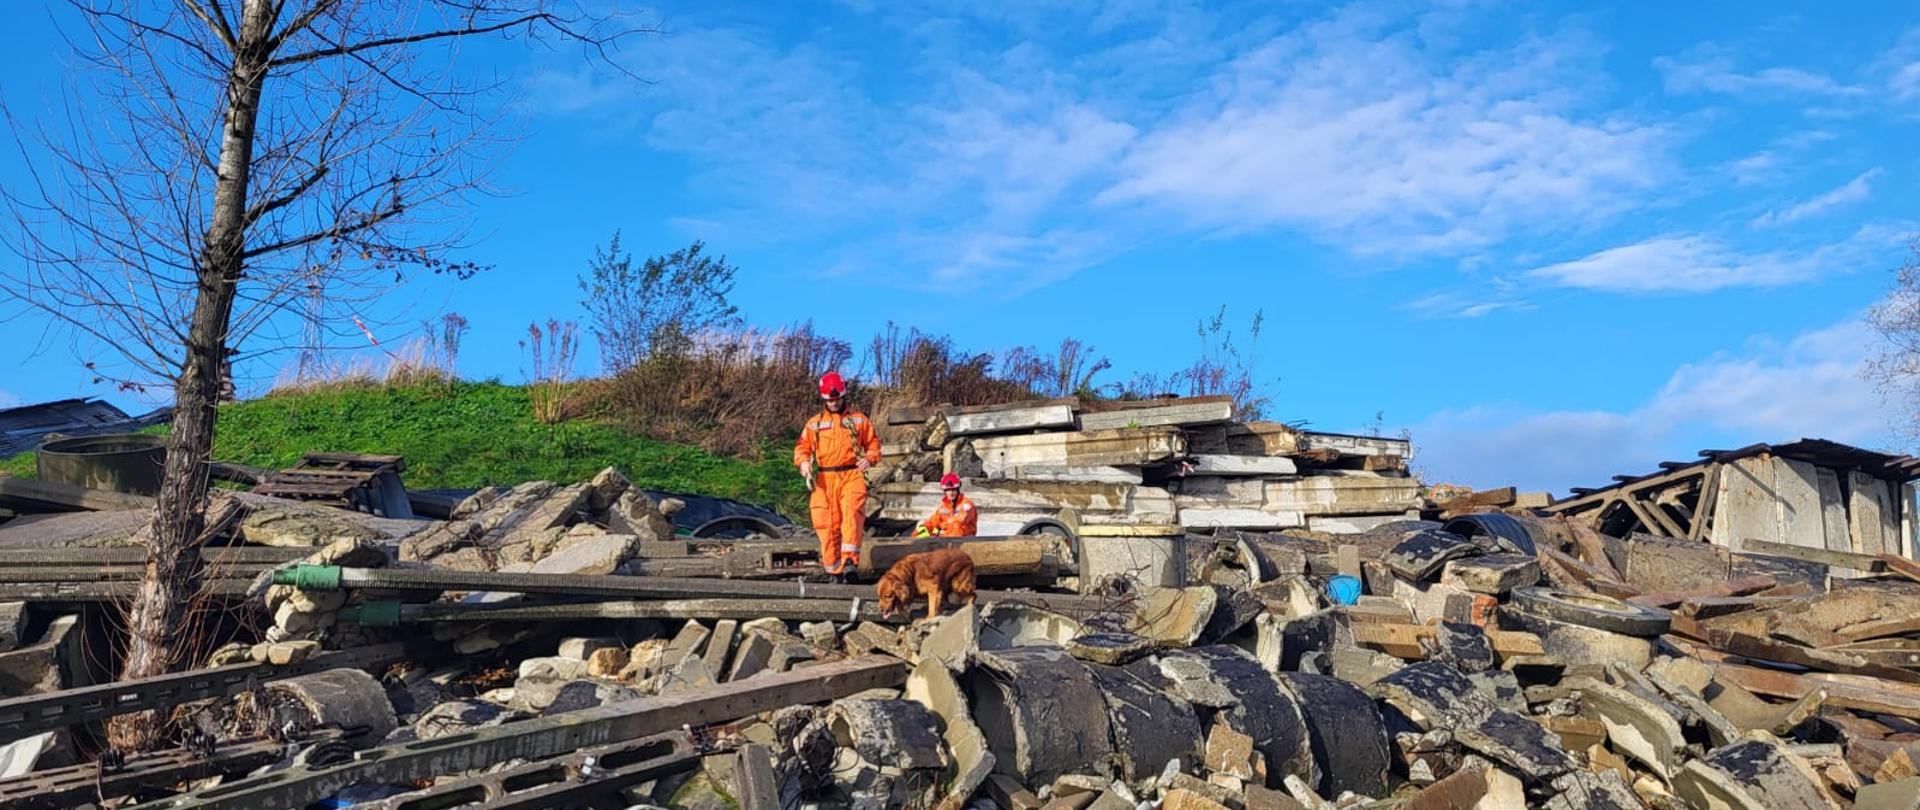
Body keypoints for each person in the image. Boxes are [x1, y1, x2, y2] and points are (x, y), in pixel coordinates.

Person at [794, 371, 881, 581]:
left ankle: (850, 561)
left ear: (843, 396)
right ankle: (834, 569)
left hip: (851, 474)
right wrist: (804, 462)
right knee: (826, 523)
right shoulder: (814, 424)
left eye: (836, 399)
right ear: (824, 399)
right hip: (825, 479)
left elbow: (874, 445)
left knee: (851, 515)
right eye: (829, 400)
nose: (833, 403)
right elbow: (802, 447)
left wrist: (869, 459)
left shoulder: (858, 421)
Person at [916, 472, 978, 538]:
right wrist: (925, 526)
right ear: (945, 491)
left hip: (964, 540)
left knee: (956, 526)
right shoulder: (944, 506)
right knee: (922, 527)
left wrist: (939, 531)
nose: (951, 493)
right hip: (945, 536)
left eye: (953, 490)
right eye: (948, 490)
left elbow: (958, 521)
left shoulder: (967, 505)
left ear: (958, 490)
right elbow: (933, 521)